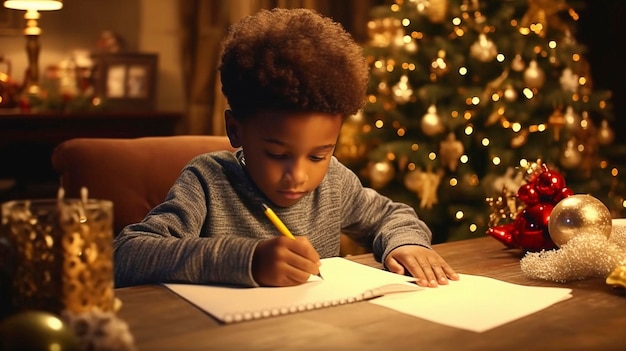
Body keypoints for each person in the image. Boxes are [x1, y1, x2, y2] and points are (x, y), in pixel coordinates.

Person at [113, 8, 459, 288]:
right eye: (278, 154)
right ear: (235, 130)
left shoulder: (334, 183)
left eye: (319, 155)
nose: (299, 176)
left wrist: (405, 243)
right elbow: (127, 254)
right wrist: (248, 260)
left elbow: (393, 215)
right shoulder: (208, 181)